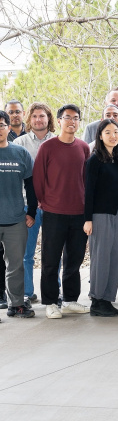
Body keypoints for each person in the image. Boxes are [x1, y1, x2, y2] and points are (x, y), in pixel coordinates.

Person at [34, 104, 92, 319]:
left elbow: (87, 181)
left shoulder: (83, 147)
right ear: (58, 121)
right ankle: (50, 302)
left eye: (75, 118)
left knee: (74, 260)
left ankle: (70, 300)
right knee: (50, 260)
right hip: (53, 212)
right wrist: (45, 202)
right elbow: (38, 179)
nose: (71, 122)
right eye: (67, 118)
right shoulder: (48, 147)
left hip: (78, 213)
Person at [84, 119, 118, 317]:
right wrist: (88, 219)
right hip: (99, 215)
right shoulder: (94, 160)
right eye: (108, 132)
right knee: (101, 258)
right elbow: (88, 191)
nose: (113, 136)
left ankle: (107, 299)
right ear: (100, 136)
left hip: (117, 215)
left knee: (115, 258)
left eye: (116, 132)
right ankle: (97, 300)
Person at [14, 102, 55, 304]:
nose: (39, 119)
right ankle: (27, 292)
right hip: (27, 205)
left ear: (49, 118)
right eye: (35, 116)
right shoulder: (20, 143)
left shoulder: (58, 141)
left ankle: (54, 292)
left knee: (53, 252)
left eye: (42, 116)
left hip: (54, 206)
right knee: (26, 253)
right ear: (29, 120)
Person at [0, 110, 37, 319]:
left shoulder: (20, 153)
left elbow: (30, 186)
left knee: (15, 266)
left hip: (15, 219)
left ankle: (16, 304)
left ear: (8, 128)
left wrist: (31, 212)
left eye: (2, 125)